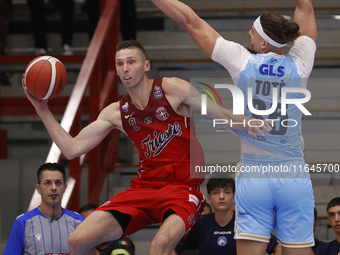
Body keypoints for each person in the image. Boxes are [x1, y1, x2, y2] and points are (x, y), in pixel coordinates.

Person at [23, 39, 270, 254]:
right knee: (77, 241)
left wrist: (248, 122)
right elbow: (72, 148)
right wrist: (42, 109)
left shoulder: (172, 88)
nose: (125, 68)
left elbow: (222, 113)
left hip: (181, 189)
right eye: (120, 64)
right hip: (143, 190)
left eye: (131, 62)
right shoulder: (116, 112)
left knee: (160, 244)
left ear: (146, 66)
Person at [150, 0, 317, 254]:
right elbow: (305, 7)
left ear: (263, 43)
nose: (248, 33)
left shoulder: (242, 62)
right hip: (293, 175)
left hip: (255, 176)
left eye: (253, 30)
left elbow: (190, 20)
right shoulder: (301, 62)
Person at [173, 178, 282, 255]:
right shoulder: (201, 223)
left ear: (234, 197)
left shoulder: (246, 222)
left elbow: (278, 247)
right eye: (216, 193)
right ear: (209, 198)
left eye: (227, 192)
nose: (221, 197)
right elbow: (174, 250)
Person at [3, 162, 84, 254]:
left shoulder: (79, 221)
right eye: (47, 183)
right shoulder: (23, 222)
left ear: (65, 187)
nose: (53, 188)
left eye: (58, 183)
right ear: (38, 188)